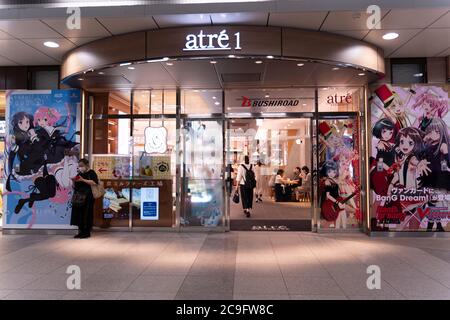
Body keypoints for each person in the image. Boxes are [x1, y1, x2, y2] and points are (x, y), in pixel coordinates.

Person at [70, 158, 99, 239]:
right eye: (79, 166)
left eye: (81, 166)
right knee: (78, 214)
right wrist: (73, 181)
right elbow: (74, 186)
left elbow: (94, 182)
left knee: (87, 213)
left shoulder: (91, 172)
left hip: (88, 196)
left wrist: (83, 180)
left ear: (87, 165)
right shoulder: (79, 173)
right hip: (79, 196)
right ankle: (81, 231)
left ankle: (86, 232)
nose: (80, 167)